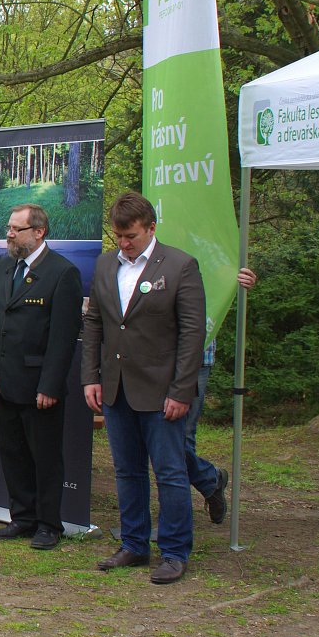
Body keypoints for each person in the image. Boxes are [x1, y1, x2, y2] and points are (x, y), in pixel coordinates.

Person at [83, 192, 205, 584]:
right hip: (116, 387)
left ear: (151, 228)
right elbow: (95, 323)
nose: (124, 243)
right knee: (127, 471)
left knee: (169, 473)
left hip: (161, 389)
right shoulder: (106, 265)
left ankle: (174, 551)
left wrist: (181, 390)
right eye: (118, 236)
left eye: (131, 236)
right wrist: (91, 377)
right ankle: (134, 543)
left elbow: (192, 334)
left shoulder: (181, 265)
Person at [0, 203, 83, 549]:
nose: (8, 234)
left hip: (39, 385)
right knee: (13, 453)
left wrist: (50, 385)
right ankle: (22, 517)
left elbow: (63, 338)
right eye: (8, 228)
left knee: (45, 457)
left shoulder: (62, 272)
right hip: (5, 380)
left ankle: (48, 525)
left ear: (39, 232)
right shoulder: (5, 266)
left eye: (16, 229)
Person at [186, 267, 258, 525]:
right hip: (151, 359)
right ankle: (210, 480)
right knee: (159, 438)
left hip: (196, 356)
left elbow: (231, 274)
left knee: (180, 437)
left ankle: (176, 518)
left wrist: (244, 280)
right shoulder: (147, 252)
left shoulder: (211, 253)